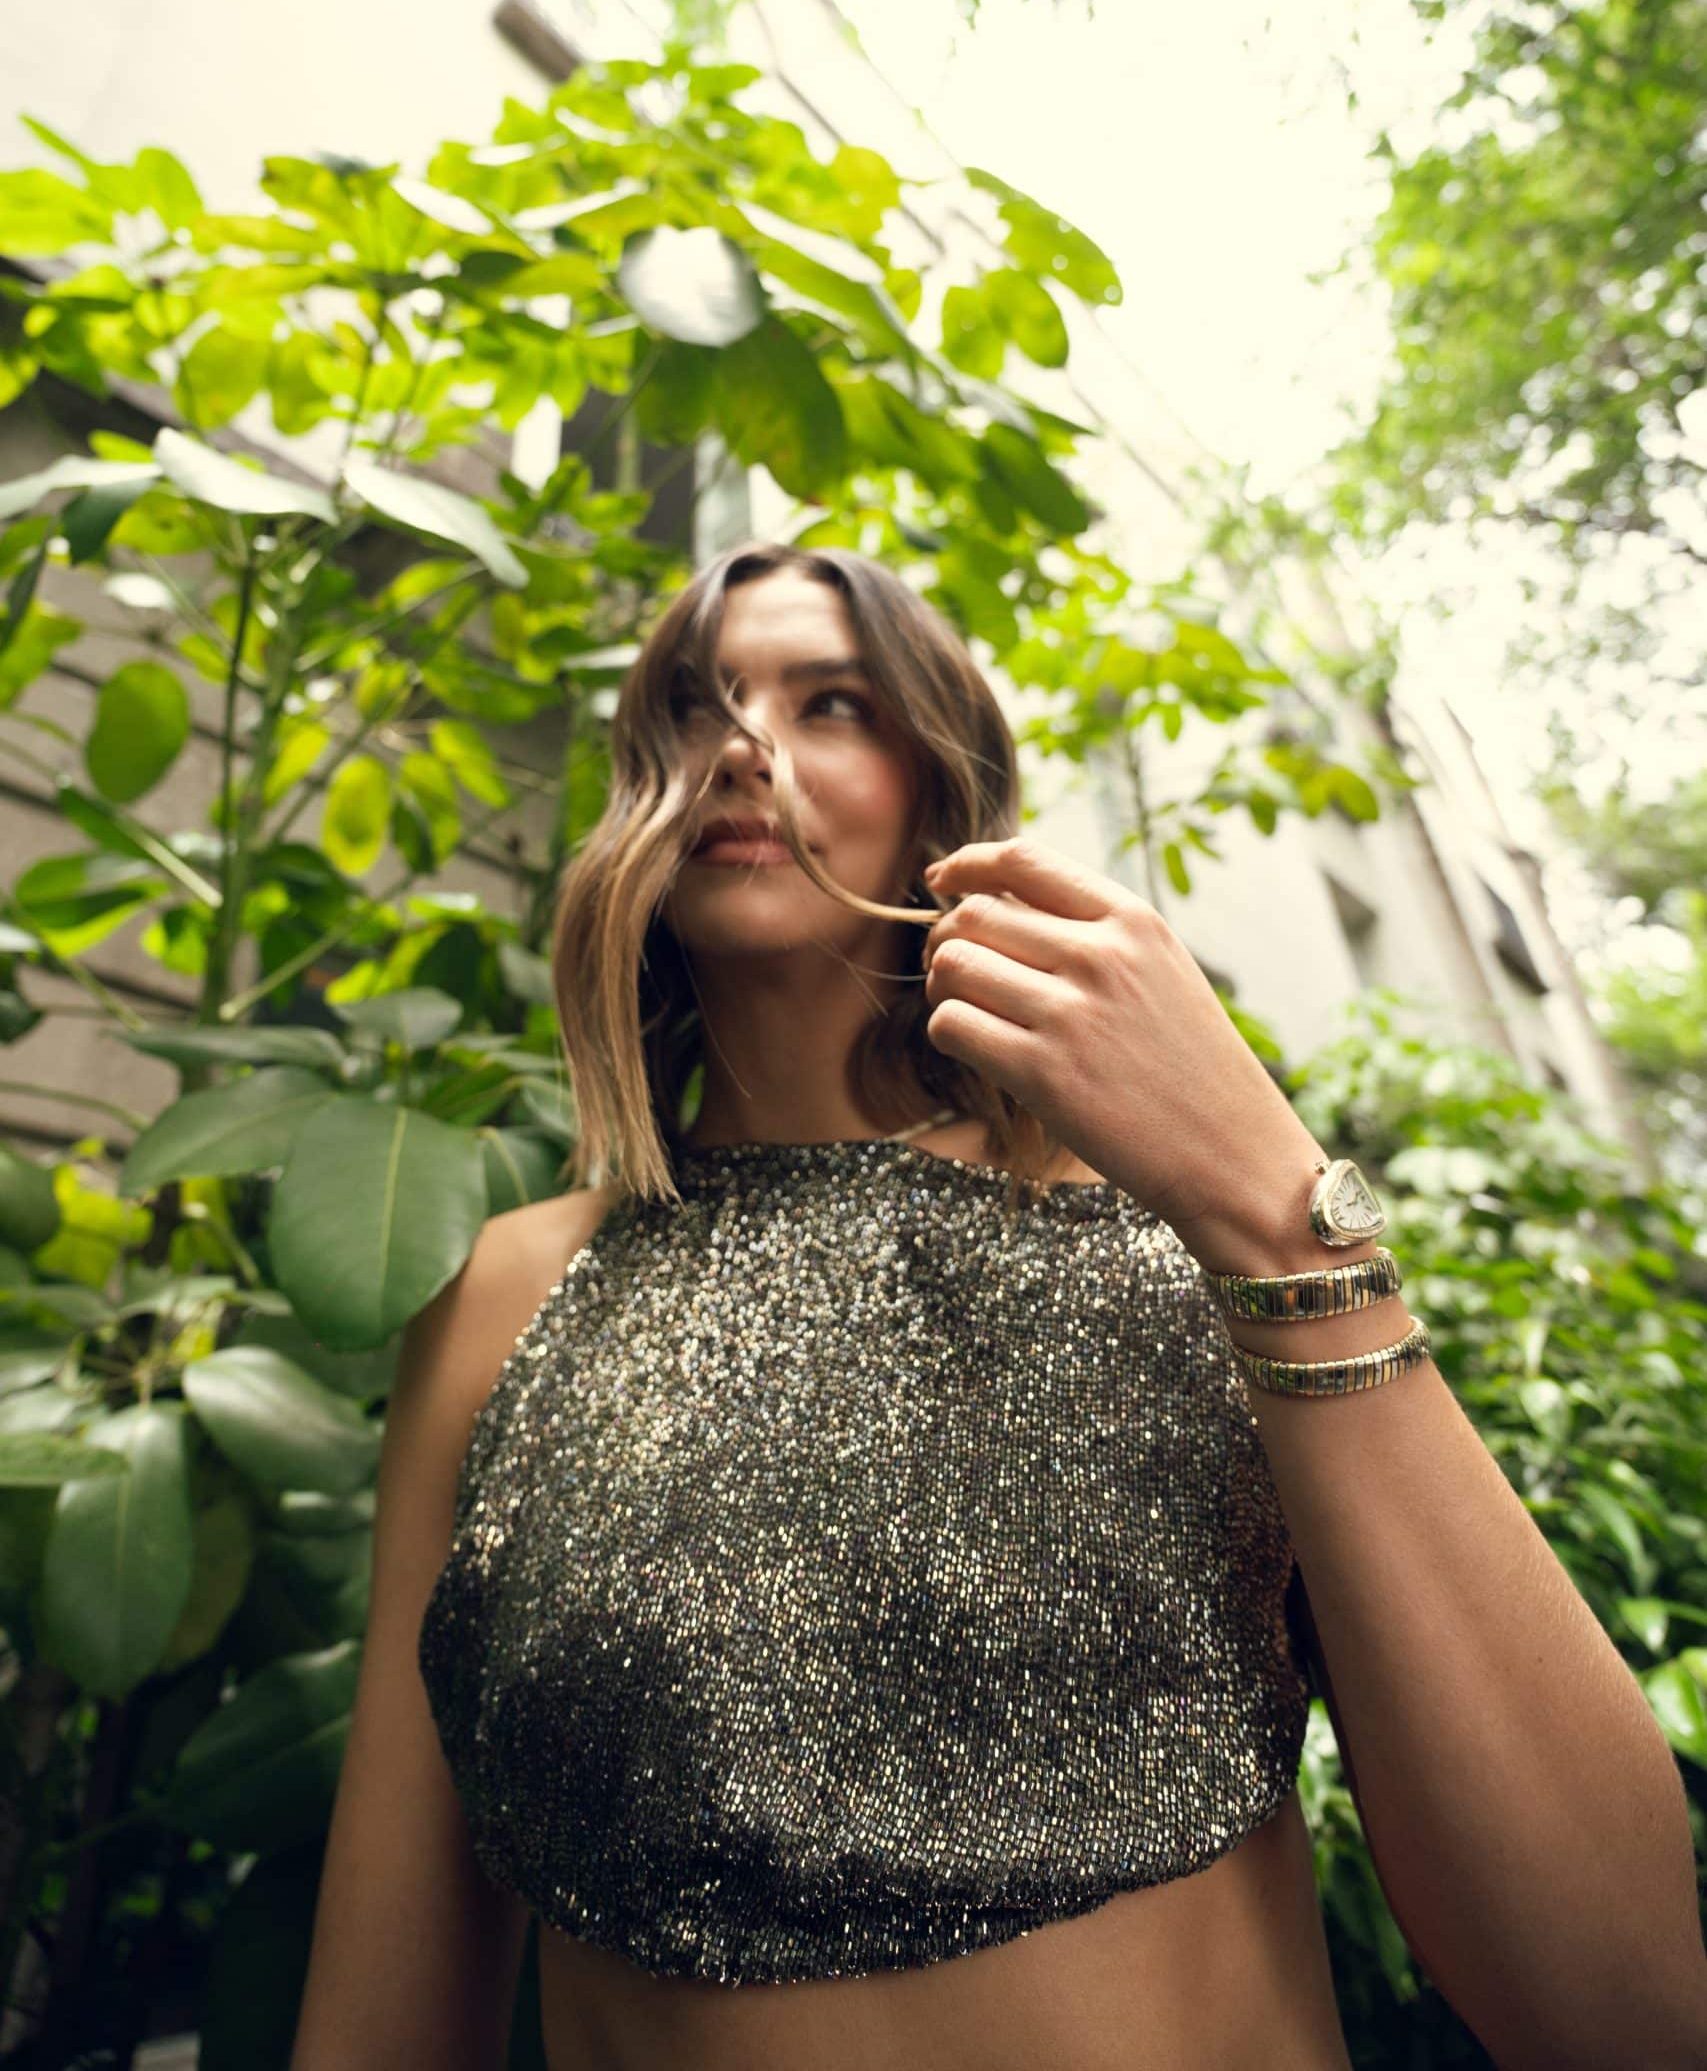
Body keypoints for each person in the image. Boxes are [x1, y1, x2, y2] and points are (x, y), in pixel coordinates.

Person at [287, 541, 1707, 2071]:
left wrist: (1266, 1202)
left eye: (831, 703)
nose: (743, 748)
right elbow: (383, 2010)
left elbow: (1623, 2003)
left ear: (941, 795)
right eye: (695, 705)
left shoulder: (1178, 1240)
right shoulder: (503, 1298)